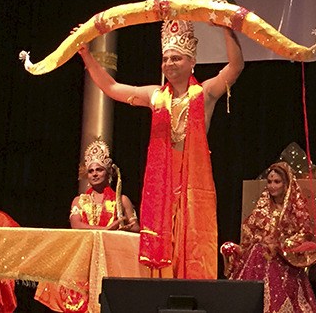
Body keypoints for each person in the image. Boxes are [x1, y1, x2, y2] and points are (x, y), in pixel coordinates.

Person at [77, 19, 244, 279]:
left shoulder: (204, 93)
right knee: (162, 245)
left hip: (191, 182)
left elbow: (235, 67)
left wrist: (226, 28)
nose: (169, 64)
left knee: (192, 243)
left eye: (176, 58)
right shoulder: (155, 96)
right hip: (163, 183)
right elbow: (111, 87)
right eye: (165, 59)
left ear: (191, 62)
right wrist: (86, 55)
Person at [35, 139, 139, 312]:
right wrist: (106, 230)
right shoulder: (79, 201)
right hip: (84, 257)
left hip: (111, 257)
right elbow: (76, 225)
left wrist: (123, 229)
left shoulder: (121, 200)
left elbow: (136, 228)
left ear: (108, 173)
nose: (95, 174)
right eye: (91, 171)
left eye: (99, 170)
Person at [220, 161, 316, 313]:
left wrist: (282, 244)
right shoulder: (261, 209)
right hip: (257, 263)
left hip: (285, 264)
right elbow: (249, 236)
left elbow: (305, 234)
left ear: (286, 184)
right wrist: (238, 248)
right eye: (269, 182)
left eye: (277, 182)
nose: (272, 186)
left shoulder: (296, 210)